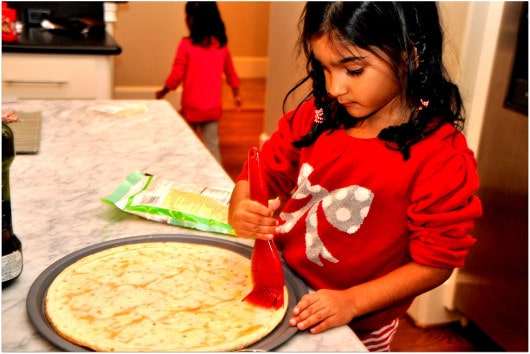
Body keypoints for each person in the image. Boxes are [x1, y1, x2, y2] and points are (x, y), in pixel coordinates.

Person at [228, 2, 482, 351]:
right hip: (284, 287)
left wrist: (352, 302)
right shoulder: (317, 116)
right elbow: (260, 174)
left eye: (354, 70)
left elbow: (435, 263)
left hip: (359, 323)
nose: (333, 88)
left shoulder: (441, 157)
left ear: (411, 53)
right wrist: (240, 205)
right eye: (325, 69)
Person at [156, 1, 241, 163]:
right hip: (212, 109)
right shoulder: (221, 47)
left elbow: (176, 75)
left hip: (191, 108)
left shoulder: (186, 45)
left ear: (192, 20)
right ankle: (220, 183)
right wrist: (237, 93)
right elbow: (231, 73)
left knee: (185, 145)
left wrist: (164, 91)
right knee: (212, 147)